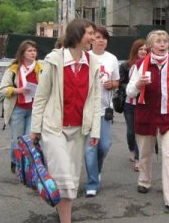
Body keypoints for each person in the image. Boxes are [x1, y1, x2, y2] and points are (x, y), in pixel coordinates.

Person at [30, 19, 101, 223]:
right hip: (54, 128)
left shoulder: (94, 63)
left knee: (70, 179)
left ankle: (63, 216)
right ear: (77, 34)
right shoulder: (53, 60)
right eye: (90, 33)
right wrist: (35, 128)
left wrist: (95, 130)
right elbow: (41, 97)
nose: (93, 38)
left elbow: (96, 100)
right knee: (62, 177)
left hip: (79, 129)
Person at [126, 30, 169, 214]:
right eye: (158, 41)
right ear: (150, 46)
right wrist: (139, 84)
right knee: (145, 153)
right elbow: (129, 92)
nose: (162, 44)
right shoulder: (140, 65)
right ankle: (144, 180)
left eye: (165, 41)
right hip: (146, 115)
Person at [84, 25, 120, 197]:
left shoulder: (112, 58)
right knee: (91, 147)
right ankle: (92, 182)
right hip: (88, 110)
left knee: (103, 146)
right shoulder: (85, 57)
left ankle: (96, 170)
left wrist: (111, 84)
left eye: (104, 38)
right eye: (98, 37)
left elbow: (116, 82)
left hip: (105, 109)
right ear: (92, 40)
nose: (101, 41)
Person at [0, 40, 42, 174]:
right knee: (17, 140)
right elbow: (3, 89)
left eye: (34, 50)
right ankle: (15, 162)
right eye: (29, 50)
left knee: (30, 139)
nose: (33, 53)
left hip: (34, 109)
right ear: (22, 53)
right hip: (17, 109)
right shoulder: (13, 69)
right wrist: (18, 90)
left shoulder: (40, 68)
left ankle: (26, 166)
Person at [119, 39, 148, 172]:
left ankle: (138, 159)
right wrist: (134, 87)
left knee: (139, 132)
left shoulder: (149, 66)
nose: (142, 51)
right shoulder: (126, 65)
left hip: (143, 104)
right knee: (131, 131)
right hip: (129, 103)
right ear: (135, 50)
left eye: (145, 49)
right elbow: (121, 83)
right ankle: (132, 149)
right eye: (140, 49)